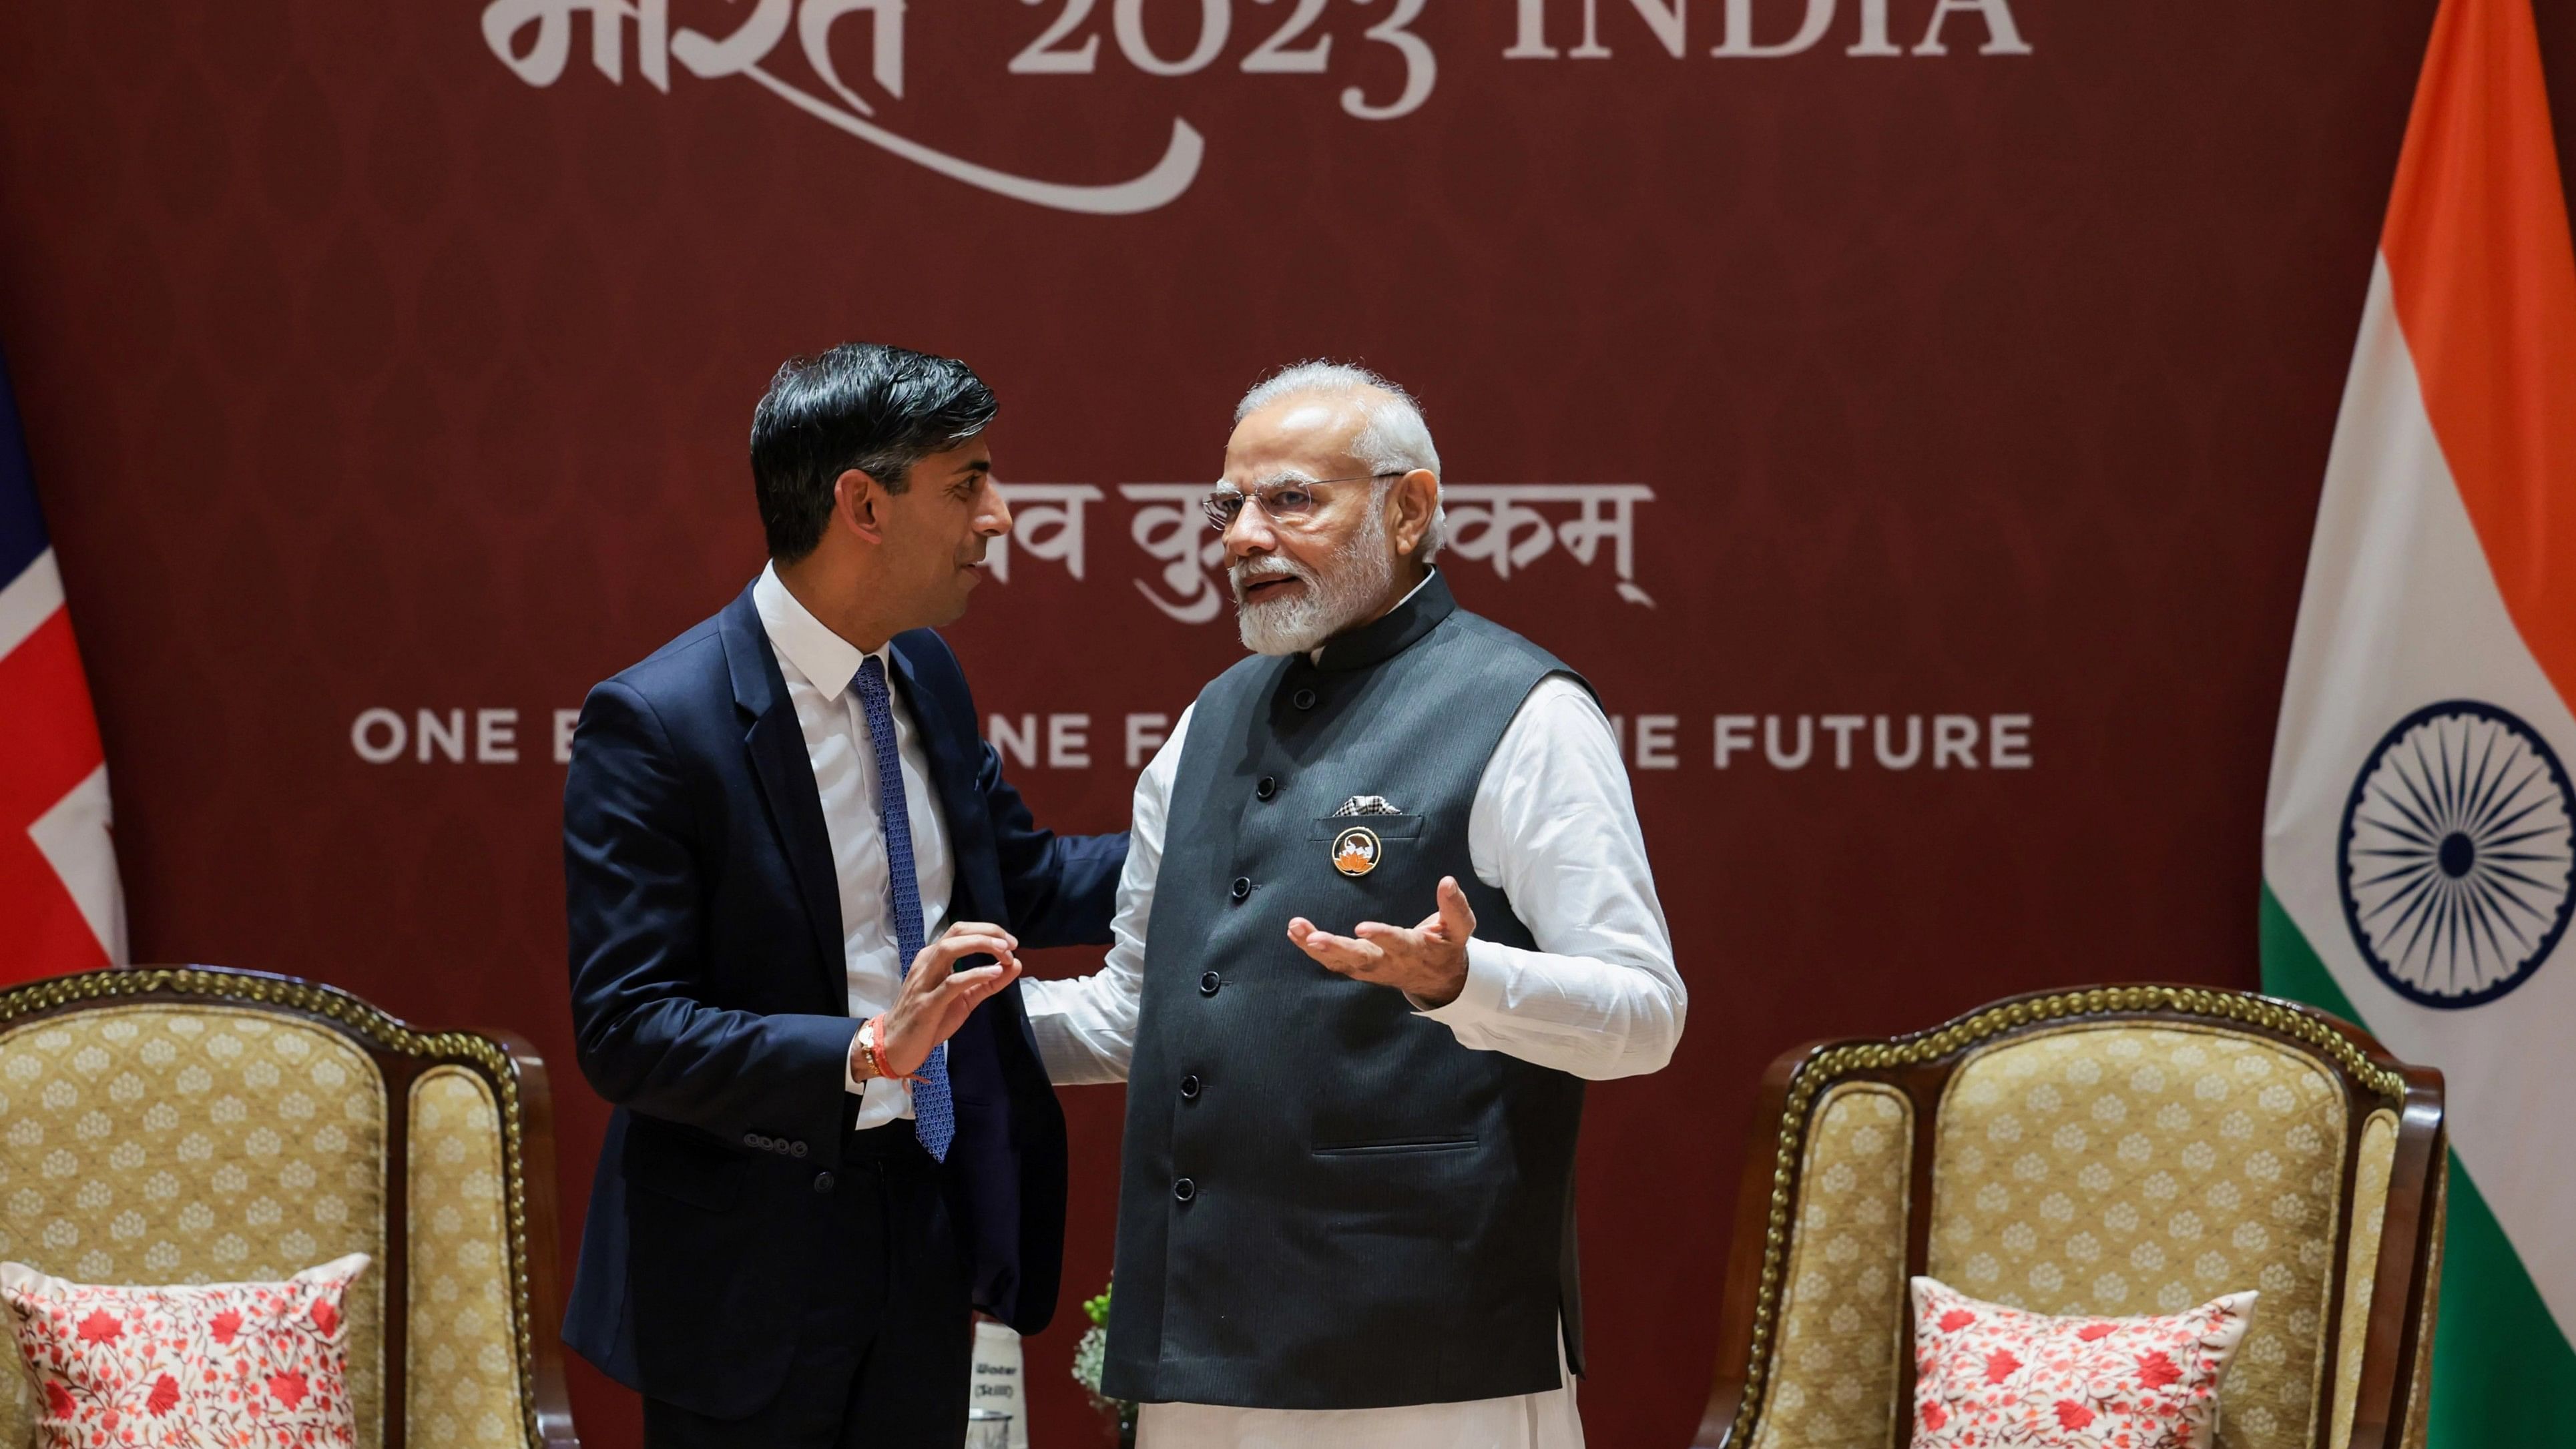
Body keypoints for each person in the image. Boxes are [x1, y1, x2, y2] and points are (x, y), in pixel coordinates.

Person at [1023, 361, 1685, 1447]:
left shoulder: (1526, 710)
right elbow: (1130, 1017)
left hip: (1430, 1352)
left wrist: (1469, 982)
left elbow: (1646, 1016)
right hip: (1200, 1348)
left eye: (1290, 500)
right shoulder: (1205, 723)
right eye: (1227, 507)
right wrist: (937, 1040)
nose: (1241, 536)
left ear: (1411, 509)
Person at [561, 343, 1127, 1448]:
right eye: (967, 483)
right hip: (744, 1265)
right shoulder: (658, 723)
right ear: (862, 503)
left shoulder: (923, 674)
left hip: (920, 1216)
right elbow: (627, 1032)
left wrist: (1227, 845)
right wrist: (870, 1049)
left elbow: (1028, 881)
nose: (1001, 516)